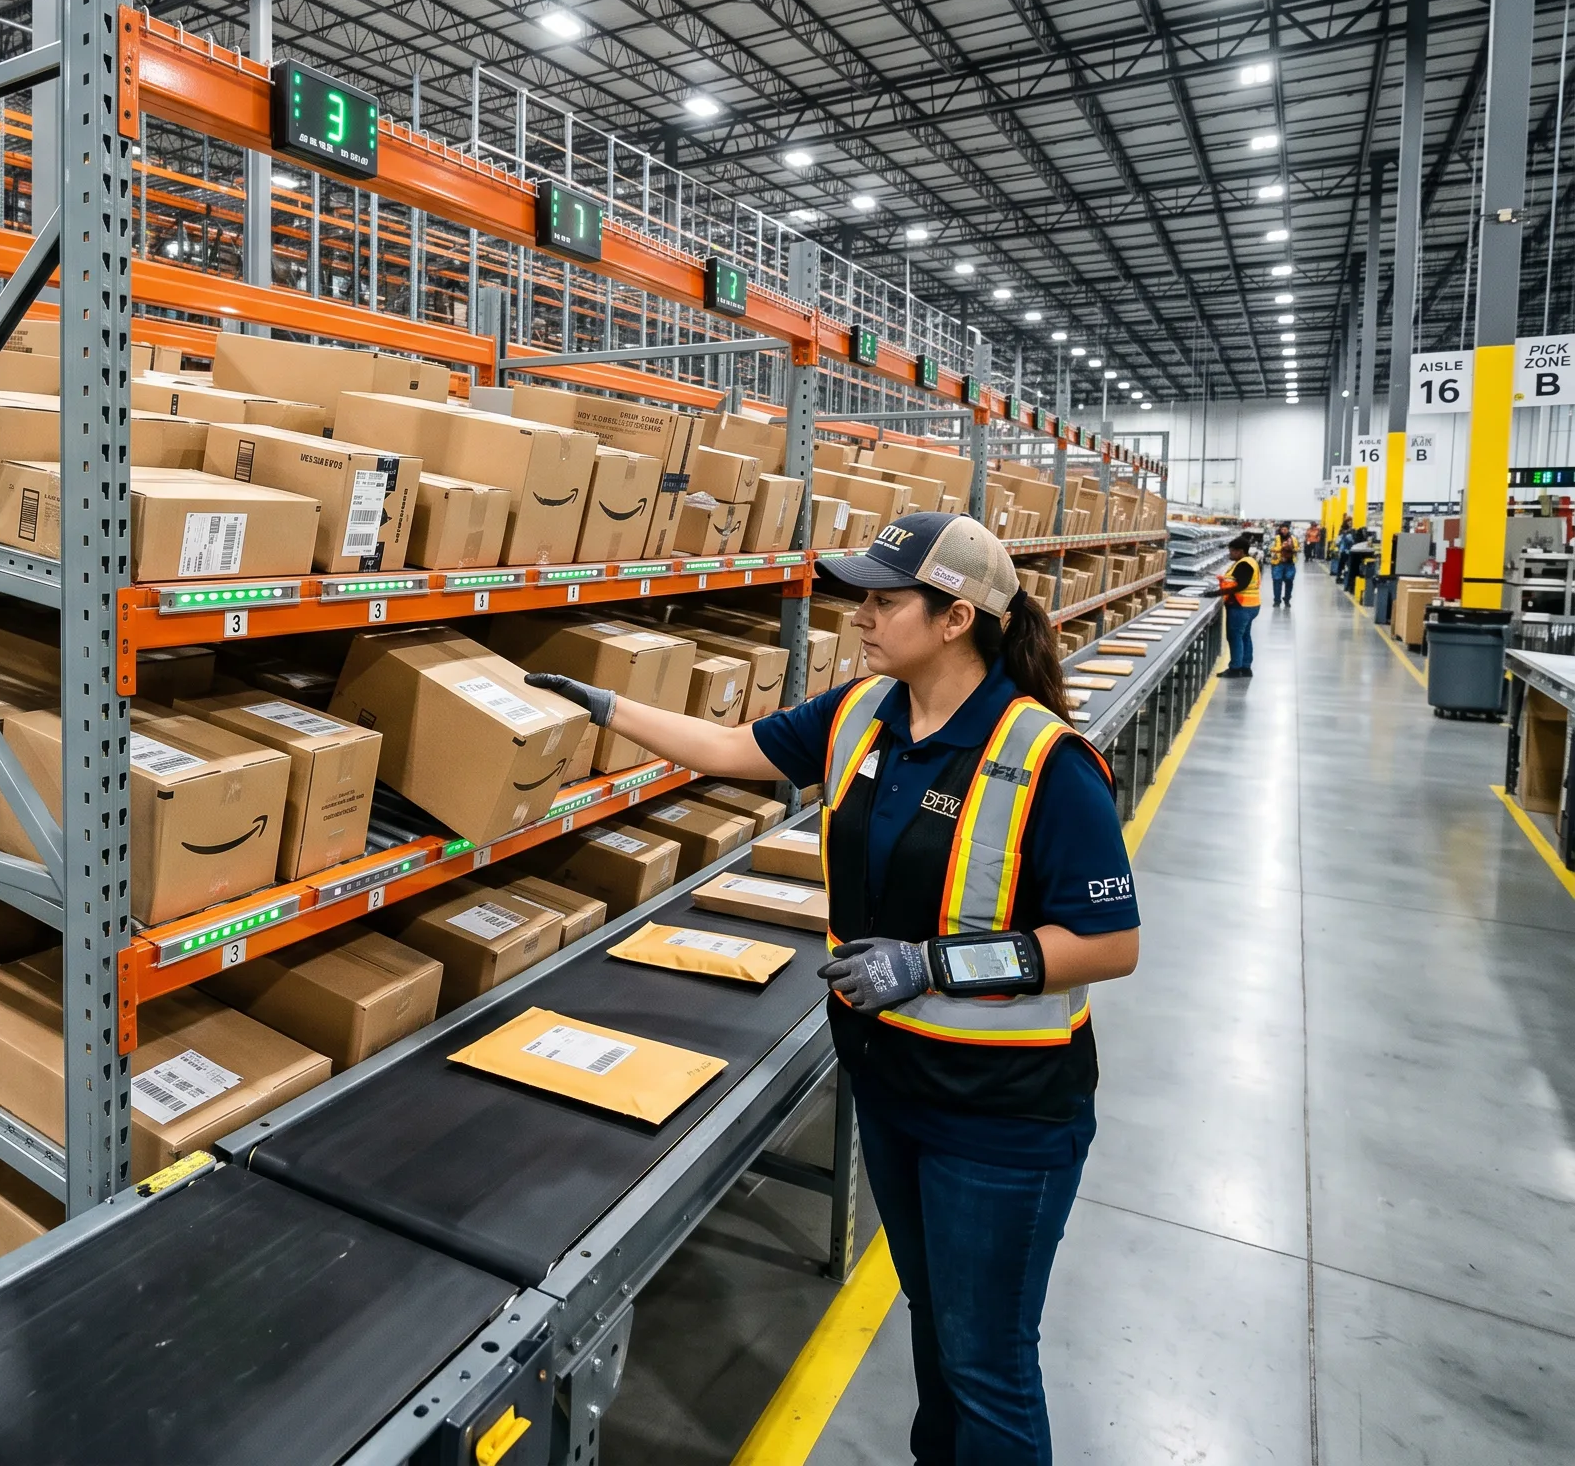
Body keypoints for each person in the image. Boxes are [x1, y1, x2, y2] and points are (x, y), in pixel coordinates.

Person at [526, 513, 1140, 1466]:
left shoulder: (1046, 761)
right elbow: (731, 750)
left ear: (955, 620)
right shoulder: (863, 713)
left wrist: (930, 965)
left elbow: (1110, 945)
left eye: (885, 601)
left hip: (1003, 1116)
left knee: (988, 1366)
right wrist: (606, 710)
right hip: (894, 1087)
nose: (861, 616)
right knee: (937, 1325)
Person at [1211, 532, 1262, 677]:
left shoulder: (1244, 564)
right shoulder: (1249, 562)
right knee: (1245, 635)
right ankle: (1246, 667)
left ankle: (1235, 668)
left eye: (1232, 551)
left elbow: (1240, 585)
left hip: (1241, 605)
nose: (1230, 553)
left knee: (1235, 636)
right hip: (1251, 605)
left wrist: (1217, 593)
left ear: (1240, 551)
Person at [1269, 523, 1298, 608]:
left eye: (1286, 529)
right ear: (1280, 530)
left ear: (1288, 530)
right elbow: (1270, 548)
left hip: (1290, 563)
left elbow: (1297, 548)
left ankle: (1287, 599)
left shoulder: (1293, 538)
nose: (1284, 531)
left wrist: (1291, 548)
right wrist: (1281, 547)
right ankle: (1277, 601)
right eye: (1282, 529)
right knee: (1277, 582)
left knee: (1289, 581)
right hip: (1278, 563)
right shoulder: (1275, 538)